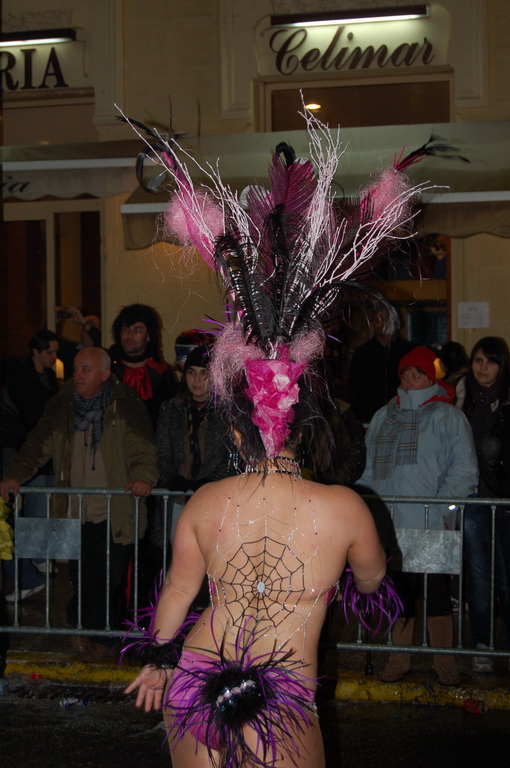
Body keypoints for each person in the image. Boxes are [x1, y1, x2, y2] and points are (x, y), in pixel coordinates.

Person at [121, 106, 432, 767]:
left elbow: (177, 593)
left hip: (195, 679)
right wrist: (357, 580)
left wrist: (156, 658)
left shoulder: (206, 502)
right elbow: (374, 584)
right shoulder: (346, 510)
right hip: (285, 696)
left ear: (238, 428)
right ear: (310, 422)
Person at [0, 347, 158, 661]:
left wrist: (143, 476)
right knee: (84, 577)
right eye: (75, 368)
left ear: (104, 374)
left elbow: (141, 446)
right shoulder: (61, 405)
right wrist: (15, 474)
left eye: (86, 369)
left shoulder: (125, 403)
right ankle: (99, 637)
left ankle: (81, 620)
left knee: (110, 578)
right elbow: (37, 444)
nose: (78, 375)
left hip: (116, 510)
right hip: (75, 510)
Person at [358, 346, 478, 685]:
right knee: (399, 595)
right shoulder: (384, 415)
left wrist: (440, 508)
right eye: (406, 374)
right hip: (390, 524)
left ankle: (445, 662)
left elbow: (463, 470)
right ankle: (399, 658)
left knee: (436, 595)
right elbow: (369, 466)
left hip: (431, 522)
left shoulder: (449, 417)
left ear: (431, 377)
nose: (411, 380)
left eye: (418, 374)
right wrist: (367, 505)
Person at [456, 336, 510, 673]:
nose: (483, 367)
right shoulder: (461, 399)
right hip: (474, 499)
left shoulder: (507, 402)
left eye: (491, 361)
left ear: (502, 366)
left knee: (506, 577)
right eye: (478, 360)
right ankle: (482, 644)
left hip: (505, 501)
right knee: (478, 576)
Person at [155, 344, 235, 544]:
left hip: (214, 498)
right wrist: (171, 478)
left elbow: (231, 455)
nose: (197, 380)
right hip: (177, 497)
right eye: (191, 372)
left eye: (204, 374)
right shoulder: (171, 409)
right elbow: (162, 451)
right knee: (177, 550)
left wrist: (212, 482)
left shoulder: (228, 412)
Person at [3, 330, 60, 598]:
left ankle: (39, 557)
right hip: (32, 452)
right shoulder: (23, 379)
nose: (54, 357)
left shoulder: (46, 377)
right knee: (35, 509)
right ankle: (37, 558)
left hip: (43, 453)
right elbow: (30, 415)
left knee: (43, 508)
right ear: (35, 351)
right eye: (49, 352)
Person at [109, 303, 178, 426]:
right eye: (125, 329)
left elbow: (170, 417)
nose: (130, 336)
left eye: (137, 330)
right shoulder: (109, 370)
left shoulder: (160, 372)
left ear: (148, 336)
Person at [347, 309, 415, 423]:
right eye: (379, 319)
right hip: (369, 417)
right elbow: (354, 388)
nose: (384, 323)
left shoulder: (409, 351)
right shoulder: (362, 352)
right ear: (372, 324)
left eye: (388, 319)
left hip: (404, 415)